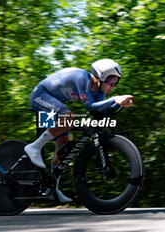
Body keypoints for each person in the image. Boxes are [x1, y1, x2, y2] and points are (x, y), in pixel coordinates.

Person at [24, 59, 133, 203]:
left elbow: (101, 111)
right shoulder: (82, 78)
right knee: (70, 118)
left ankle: (52, 189)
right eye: (111, 81)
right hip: (39, 97)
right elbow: (91, 106)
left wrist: (120, 104)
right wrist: (115, 99)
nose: (113, 86)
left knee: (63, 144)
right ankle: (34, 147)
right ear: (100, 76)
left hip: (52, 105)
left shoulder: (98, 93)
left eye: (116, 82)